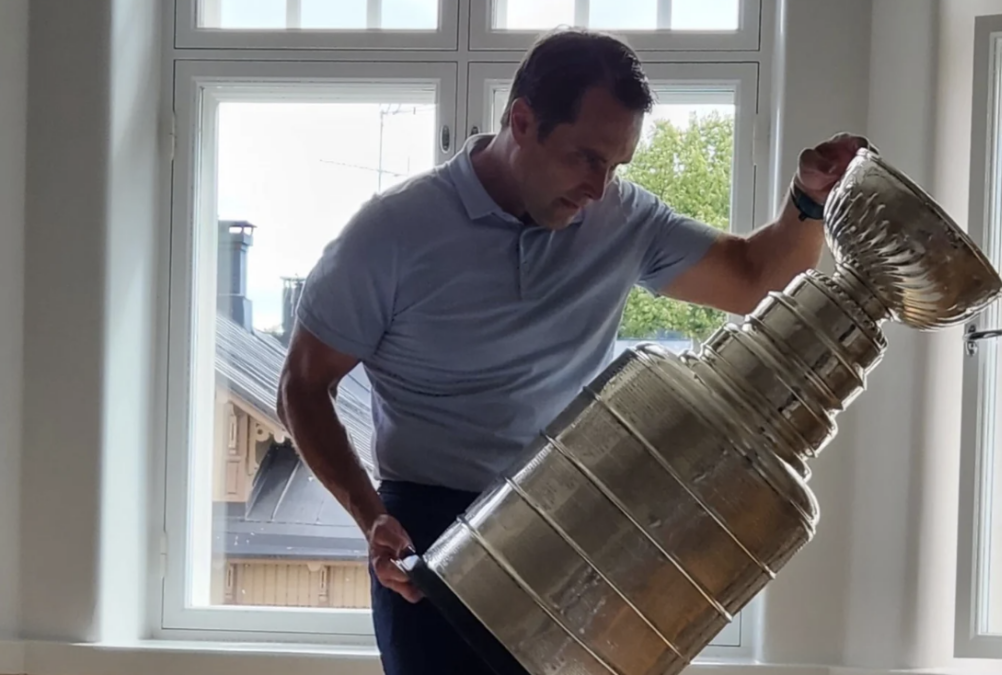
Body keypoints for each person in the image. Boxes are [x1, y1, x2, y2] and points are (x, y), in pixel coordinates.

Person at [276, 26, 869, 675]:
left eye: (615, 165)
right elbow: (302, 387)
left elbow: (757, 279)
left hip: (575, 514)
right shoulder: (391, 232)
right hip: (432, 528)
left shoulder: (623, 217)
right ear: (523, 121)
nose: (598, 186)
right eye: (585, 157)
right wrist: (371, 519)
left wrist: (810, 199)